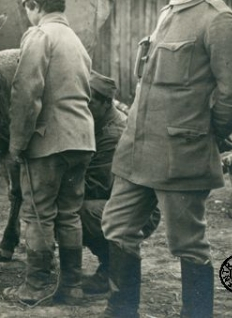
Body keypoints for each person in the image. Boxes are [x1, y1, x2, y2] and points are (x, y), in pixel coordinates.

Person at [100, 0, 232, 318]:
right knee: (117, 227)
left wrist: (207, 134)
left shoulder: (217, 19)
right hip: (138, 152)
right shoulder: (169, 12)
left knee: (188, 243)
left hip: (181, 156)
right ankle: (121, 312)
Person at [3, 0, 96, 306]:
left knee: (38, 214)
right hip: (82, 140)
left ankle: (38, 285)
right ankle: (71, 285)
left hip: (47, 143)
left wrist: (16, 144)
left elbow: (26, 94)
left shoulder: (39, 35)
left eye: (28, 7)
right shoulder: (74, 39)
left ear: (34, 5)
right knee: (69, 213)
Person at [80, 71, 161, 296]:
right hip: (121, 202)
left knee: (76, 211)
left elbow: (97, 184)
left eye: (90, 103)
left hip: (139, 210)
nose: (84, 108)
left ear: (106, 103)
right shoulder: (99, 121)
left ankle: (110, 270)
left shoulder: (112, 133)